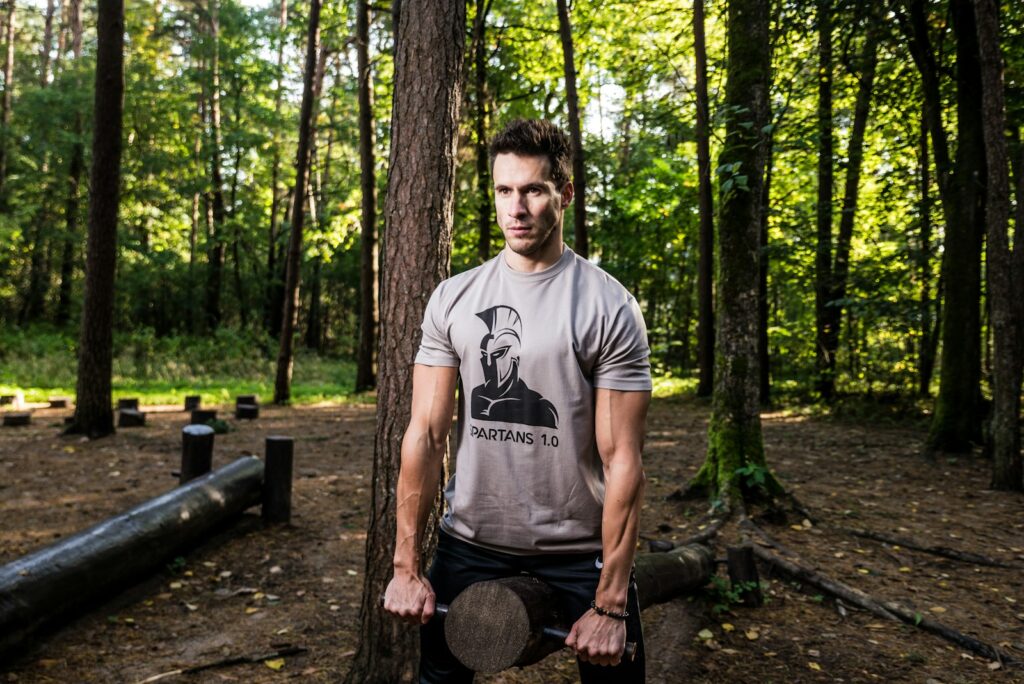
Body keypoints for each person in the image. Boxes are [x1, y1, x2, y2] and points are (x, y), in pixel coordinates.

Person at [383, 118, 651, 683]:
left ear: (565, 195)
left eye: (533, 189)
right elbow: (426, 436)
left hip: (579, 552)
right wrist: (406, 565)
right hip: (471, 543)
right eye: (505, 190)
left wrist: (610, 602)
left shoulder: (608, 307)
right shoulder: (453, 299)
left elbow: (622, 460)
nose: (517, 207)